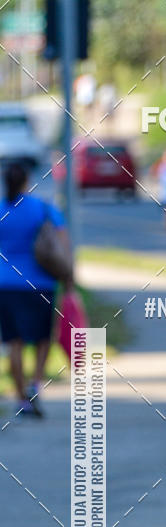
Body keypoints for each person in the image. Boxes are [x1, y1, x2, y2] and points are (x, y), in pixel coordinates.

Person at [0, 161, 71, 417]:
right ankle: (35, 382)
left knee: (13, 342)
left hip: (5, 285)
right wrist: (68, 277)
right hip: (40, 284)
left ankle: (22, 399)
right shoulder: (42, 208)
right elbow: (63, 244)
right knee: (42, 337)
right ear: (26, 182)